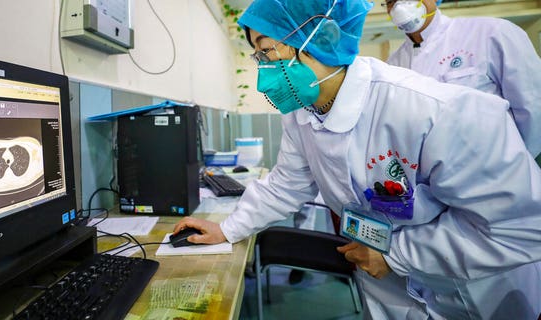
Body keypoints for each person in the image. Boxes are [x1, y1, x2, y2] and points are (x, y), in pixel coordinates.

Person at [174, 0, 541, 318]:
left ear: (325, 39)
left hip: (475, 291)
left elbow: (519, 228)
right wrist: (228, 228)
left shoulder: (437, 110)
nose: (263, 70)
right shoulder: (303, 111)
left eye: (267, 51)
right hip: (385, 287)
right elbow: (286, 184)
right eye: (259, 56)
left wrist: (397, 256)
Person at [386, 0, 541, 159]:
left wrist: (517, 165)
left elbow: (533, 105)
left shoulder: (491, 33)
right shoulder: (393, 66)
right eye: (391, 1)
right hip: (437, 176)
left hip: (501, 169)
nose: (400, 5)